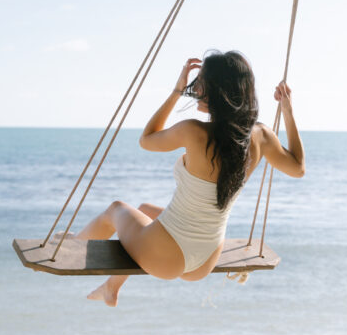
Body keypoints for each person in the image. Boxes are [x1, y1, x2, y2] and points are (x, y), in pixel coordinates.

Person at [78, 50, 305, 306]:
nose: (195, 88)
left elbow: (146, 140)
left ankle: (68, 247)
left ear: (217, 90)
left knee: (116, 209)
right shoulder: (262, 135)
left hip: (166, 256)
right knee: (143, 210)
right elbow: (298, 168)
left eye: (200, 82)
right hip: (205, 260)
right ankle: (112, 287)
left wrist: (176, 91)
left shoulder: (192, 131)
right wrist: (287, 111)